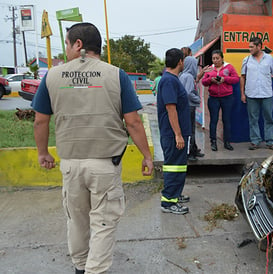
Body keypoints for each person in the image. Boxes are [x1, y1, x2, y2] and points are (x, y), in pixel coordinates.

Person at [31, 22, 154, 274]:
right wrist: (147, 156)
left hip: (70, 164)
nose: (65, 49)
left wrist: (43, 152)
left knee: (76, 221)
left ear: (78, 44)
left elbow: (40, 120)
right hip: (104, 166)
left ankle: (79, 267)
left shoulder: (52, 77)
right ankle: (95, 270)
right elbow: (132, 121)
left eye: (66, 43)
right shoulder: (115, 74)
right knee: (104, 222)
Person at [157, 48, 191, 215]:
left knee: (179, 166)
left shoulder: (171, 79)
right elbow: (171, 108)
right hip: (173, 134)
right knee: (173, 167)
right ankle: (168, 201)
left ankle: (175, 195)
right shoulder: (169, 81)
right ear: (180, 62)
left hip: (176, 133)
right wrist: (178, 134)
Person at [240, 37, 273, 150]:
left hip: (266, 94)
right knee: (253, 119)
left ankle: (270, 141)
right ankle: (255, 141)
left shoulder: (269, 59)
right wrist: (242, 94)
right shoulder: (247, 60)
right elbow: (243, 77)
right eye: (249, 47)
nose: (250, 49)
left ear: (259, 46)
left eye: (251, 47)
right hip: (251, 94)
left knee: (268, 118)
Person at [202, 49, 239, 151]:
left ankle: (227, 142)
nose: (215, 60)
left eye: (217, 58)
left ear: (222, 58)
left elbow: (236, 79)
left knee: (226, 120)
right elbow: (204, 82)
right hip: (213, 98)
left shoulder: (229, 67)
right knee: (213, 120)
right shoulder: (210, 69)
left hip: (227, 97)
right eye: (213, 58)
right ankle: (213, 142)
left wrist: (225, 79)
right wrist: (211, 80)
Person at [179, 56, 204, 161]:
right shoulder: (188, 77)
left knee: (190, 129)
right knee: (190, 130)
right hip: (189, 106)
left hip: (186, 106)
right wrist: (198, 99)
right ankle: (190, 153)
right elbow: (189, 92)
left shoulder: (183, 75)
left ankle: (193, 149)